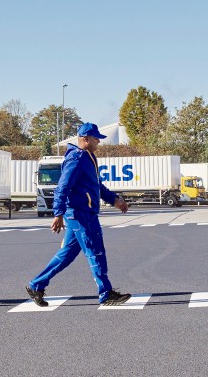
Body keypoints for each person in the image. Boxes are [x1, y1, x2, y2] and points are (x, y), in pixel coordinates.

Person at [26, 123, 132, 306]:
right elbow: (62, 187)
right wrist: (58, 213)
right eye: (96, 138)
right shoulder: (77, 159)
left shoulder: (88, 157)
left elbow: (96, 186)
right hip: (80, 214)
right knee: (95, 251)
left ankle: (36, 285)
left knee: (66, 255)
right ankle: (106, 294)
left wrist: (114, 199)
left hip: (82, 212)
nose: (99, 141)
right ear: (85, 139)